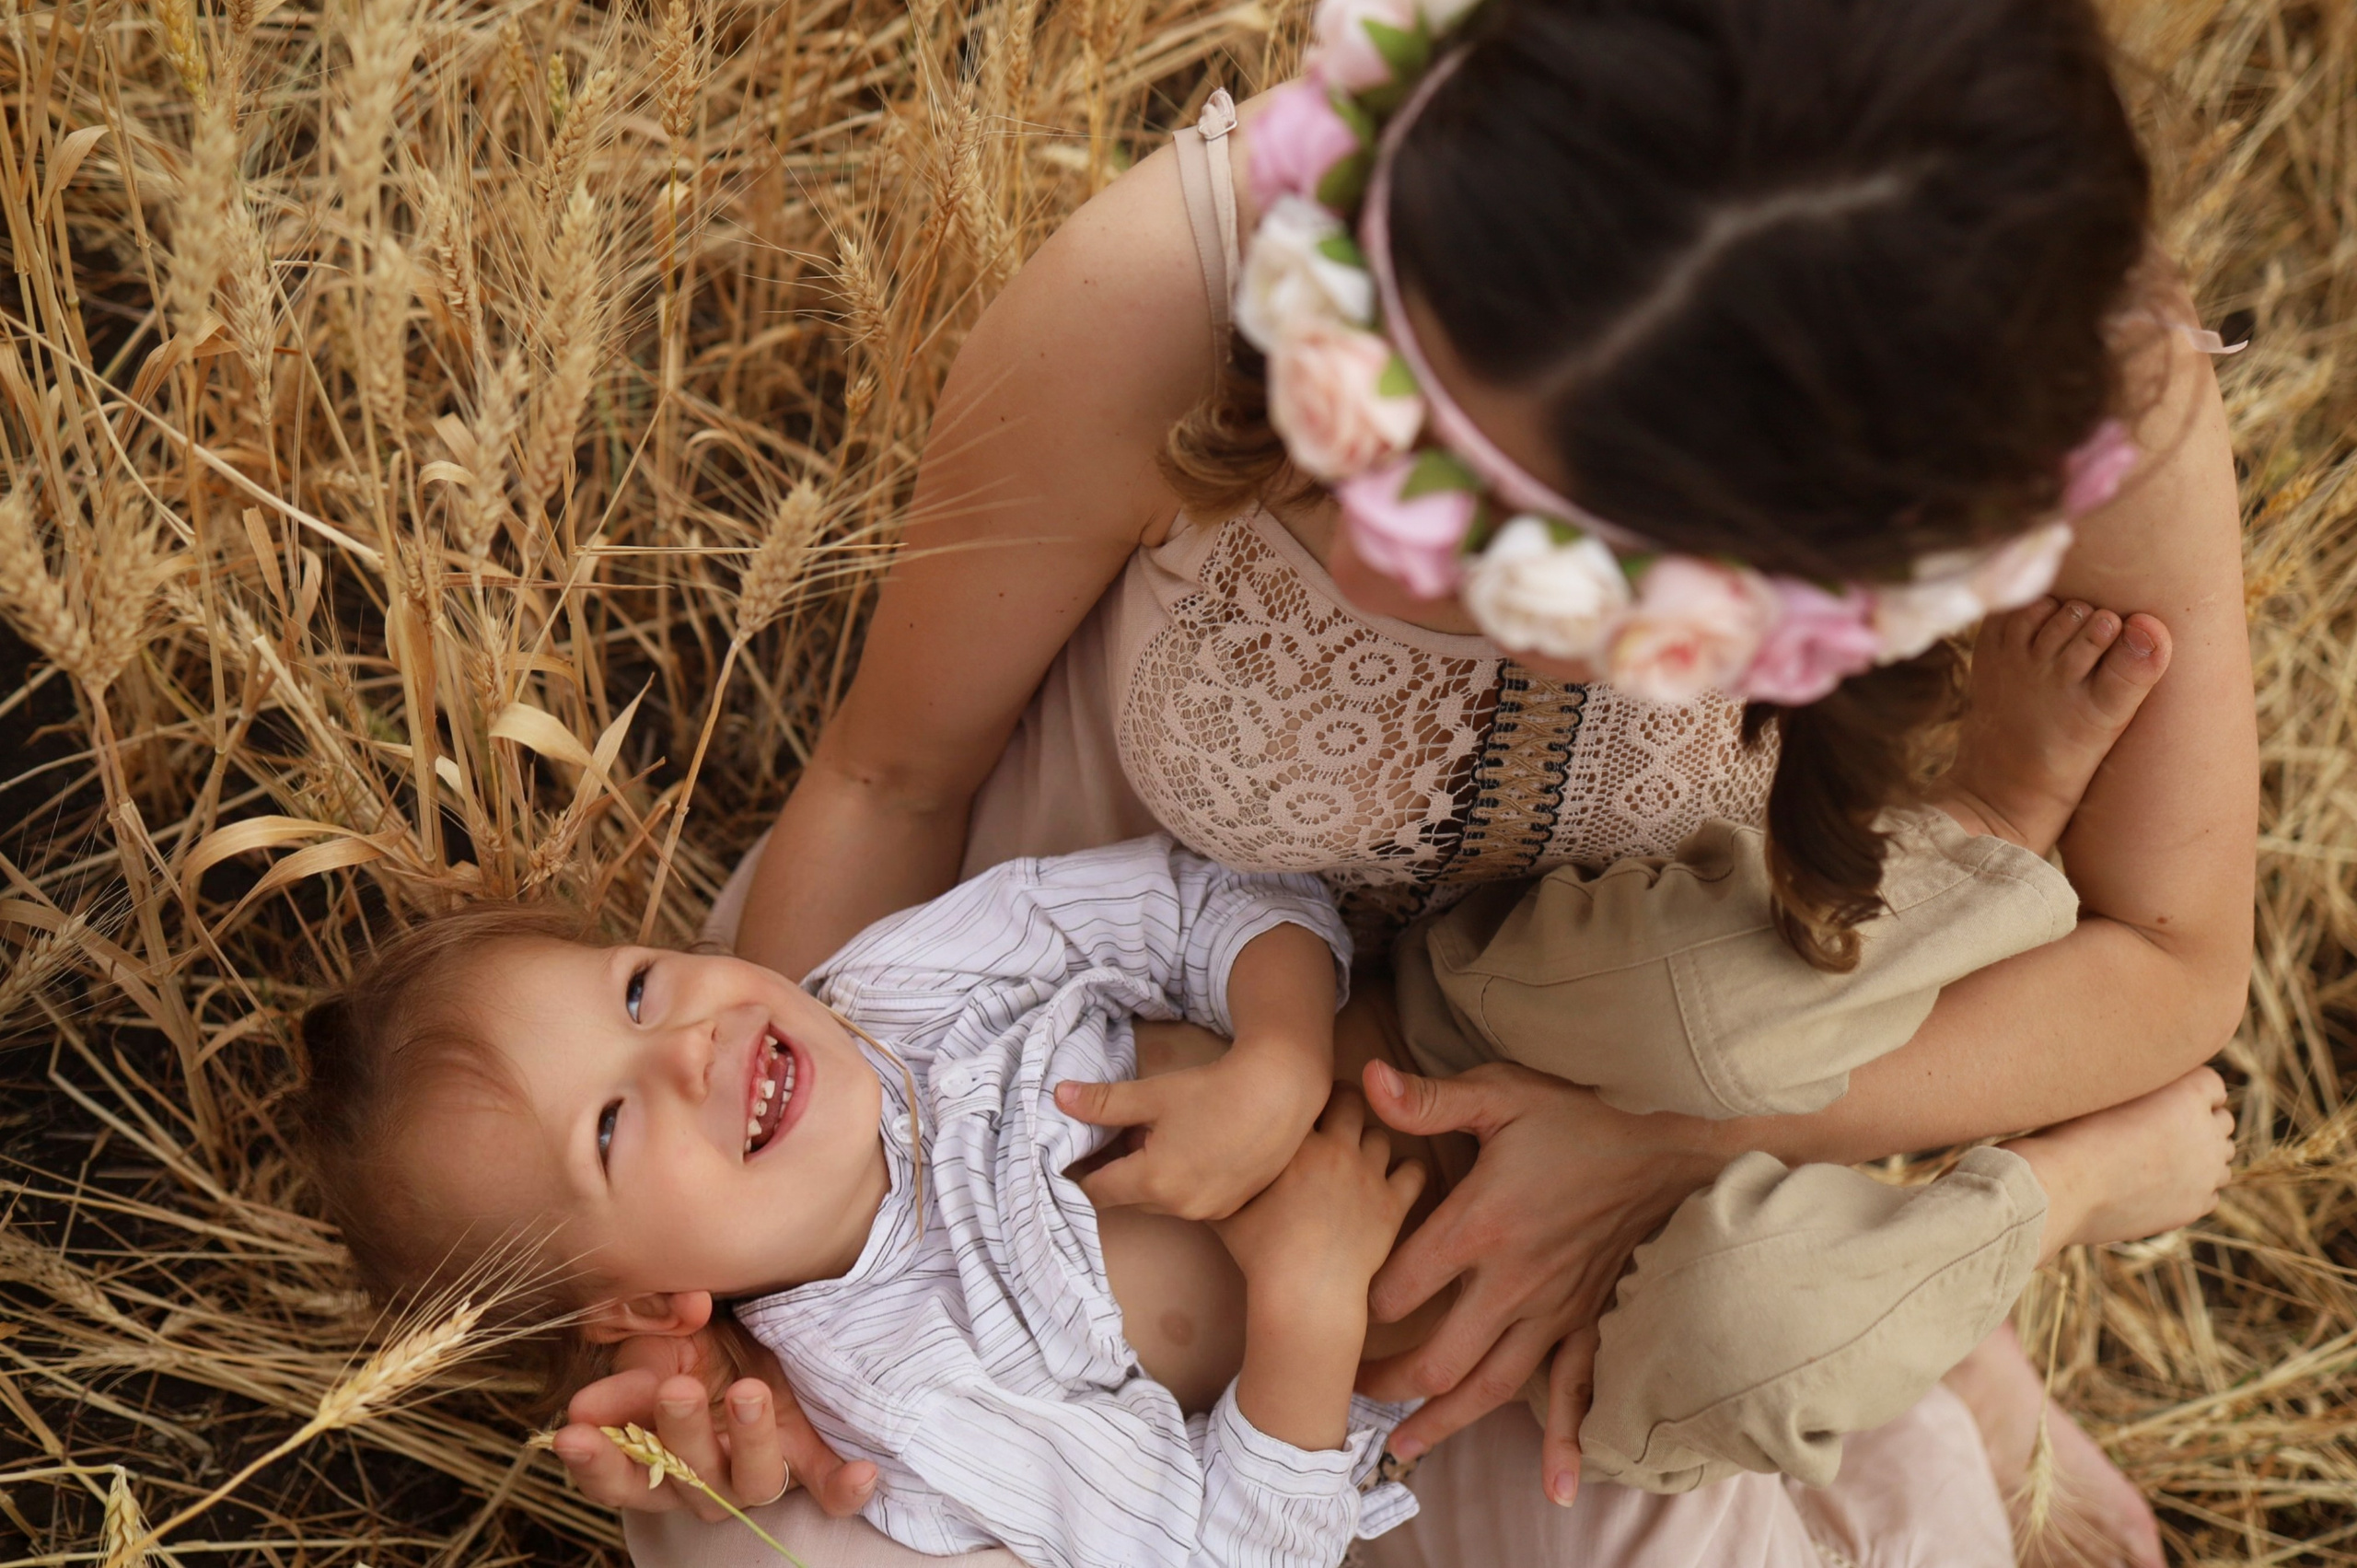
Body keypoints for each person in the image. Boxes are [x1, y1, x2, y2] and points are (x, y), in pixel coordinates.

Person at [561, 0, 2258, 1562]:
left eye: (1498, 541)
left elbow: (2173, 960)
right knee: (747, 1533)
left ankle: (1930, 1310)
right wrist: (759, 1304)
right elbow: (889, 773)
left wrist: (1656, 1143)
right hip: (1033, 1058)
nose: (1371, 531)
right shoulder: (1162, 287)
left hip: (1578, 1099)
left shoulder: (2071, 417)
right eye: (1371, 382)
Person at [293, 824, 2228, 1567]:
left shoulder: (906, 976)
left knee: (1683, 981)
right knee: (1759, 1344)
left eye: (637, 990)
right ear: (646, 1308)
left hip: (1434, 1034)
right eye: (614, 1136)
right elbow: (1213, 1547)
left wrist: (1286, 1056)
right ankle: (2060, 1181)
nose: (690, 1046)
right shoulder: (911, 1408)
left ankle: (2001, 847)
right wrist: (1303, 1315)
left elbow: (1192, 900)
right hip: (1478, 1344)